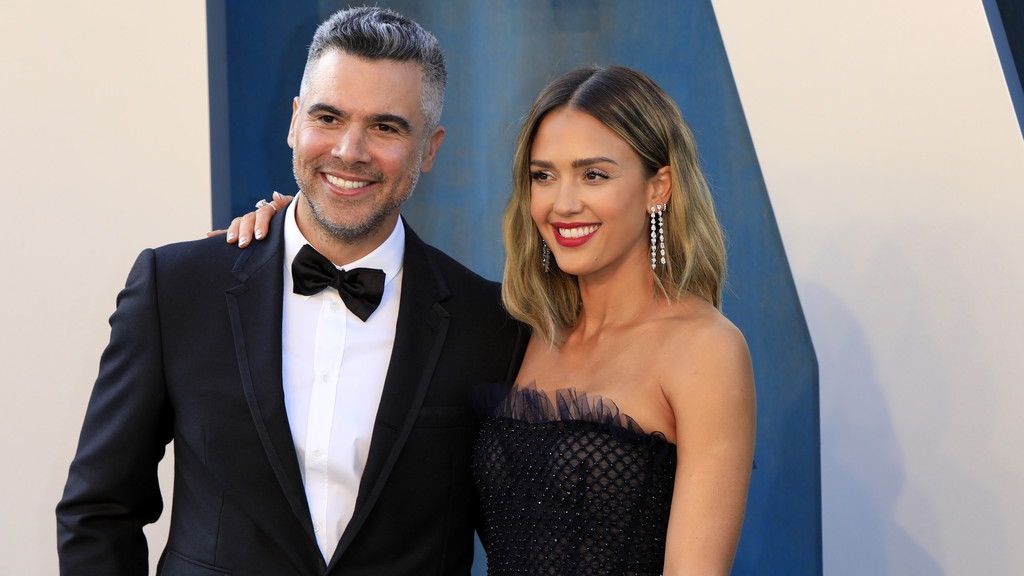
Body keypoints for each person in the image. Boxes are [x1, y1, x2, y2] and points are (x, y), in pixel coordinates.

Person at [230, 65, 756, 575]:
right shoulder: (517, 334)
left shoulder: (705, 349)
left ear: (658, 187)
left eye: (594, 175)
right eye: (543, 176)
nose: (563, 203)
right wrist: (283, 235)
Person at [56, 7, 525, 576]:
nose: (349, 151)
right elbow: (99, 511)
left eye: (385, 127)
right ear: (295, 121)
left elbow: (516, 543)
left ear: (429, 147)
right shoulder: (174, 290)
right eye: (328, 117)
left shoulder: (492, 326)